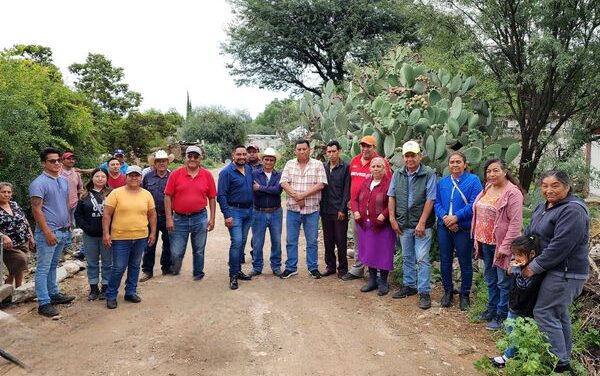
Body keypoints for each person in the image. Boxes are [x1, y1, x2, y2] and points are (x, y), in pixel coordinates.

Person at [521, 170, 590, 373]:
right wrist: (519, 256)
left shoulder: (573, 211)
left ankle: (560, 363)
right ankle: (564, 358)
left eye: (555, 185)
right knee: (558, 314)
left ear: (567, 187)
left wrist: (533, 267)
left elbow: (560, 246)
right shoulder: (543, 207)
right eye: (544, 185)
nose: (549, 190)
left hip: (566, 272)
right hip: (553, 269)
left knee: (544, 312)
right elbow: (530, 233)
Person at [472, 158, 523, 330]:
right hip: (484, 242)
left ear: (505, 171)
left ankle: (501, 315)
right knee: (490, 279)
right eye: (488, 171)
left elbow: (515, 224)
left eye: (496, 170)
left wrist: (505, 247)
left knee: (503, 282)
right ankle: (491, 309)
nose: (492, 174)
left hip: (500, 245)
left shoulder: (512, 193)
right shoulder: (488, 188)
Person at [388, 140, 436, 309]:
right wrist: (393, 219)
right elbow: (391, 196)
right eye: (407, 156)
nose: (410, 159)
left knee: (422, 258)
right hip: (403, 223)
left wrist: (422, 222)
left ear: (419, 156)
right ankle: (409, 286)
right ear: (403, 158)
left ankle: (424, 291)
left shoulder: (428, 173)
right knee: (408, 257)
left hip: (422, 225)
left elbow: (430, 199)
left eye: (413, 155)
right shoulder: (398, 174)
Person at [29, 147, 76, 317]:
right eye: (52, 161)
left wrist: (69, 223)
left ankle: (53, 293)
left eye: (58, 160)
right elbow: (36, 209)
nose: (56, 163)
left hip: (63, 230)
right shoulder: (38, 183)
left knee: (53, 266)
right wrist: (47, 231)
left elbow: (64, 204)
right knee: (43, 268)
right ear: (44, 163)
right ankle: (43, 302)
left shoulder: (63, 180)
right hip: (49, 232)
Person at [102, 166, 156, 309]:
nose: (134, 178)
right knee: (119, 267)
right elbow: (107, 214)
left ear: (140, 177)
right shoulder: (116, 193)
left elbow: (152, 214)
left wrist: (153, 232)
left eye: (137, 175)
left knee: (135, 265)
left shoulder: (146, 194)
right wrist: (106, 233)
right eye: (131, 175)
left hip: (140, 236)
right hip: (120, 237)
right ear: (126, 177)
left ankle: (130, 291)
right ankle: (111, 295)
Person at [434, 151, 483, 310]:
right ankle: (448, 290)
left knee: (465, 261)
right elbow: (437, 204)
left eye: (458, 162)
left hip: (463, 228)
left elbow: (474, 203)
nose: (455, 165)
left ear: (465, 164)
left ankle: (465, 294)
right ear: (448, 165)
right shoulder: (443, 182)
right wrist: (446, 219)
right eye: (452, 162)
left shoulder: (473, 180)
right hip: (444, 227)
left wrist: (456, 217)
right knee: (445, 259)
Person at [490, 235, 544, 368]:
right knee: (510, 329)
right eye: (514, 255)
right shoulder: (519, 265)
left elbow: (524, 286)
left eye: (519, 255)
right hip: (514, 305)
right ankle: (515, 354)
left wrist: (515, 270)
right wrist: (511, 270)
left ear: (531, 254)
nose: (516, 258)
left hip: (524, 309)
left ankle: (507, 357)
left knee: (516, 333)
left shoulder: (534, 270)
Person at [341, 135, 391, 281]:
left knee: (374, 242)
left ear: (374, 147)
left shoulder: (380, 162)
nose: (365, 148)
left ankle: (375, 273)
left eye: (368, 146)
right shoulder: (355, 161)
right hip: (357, 209)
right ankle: (358, 268)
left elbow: (388, 185)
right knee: (359, 240)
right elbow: (349, 183)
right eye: (363, 145)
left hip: (376, 211)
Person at [164, 145, 216, 280]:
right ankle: (175, 268)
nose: (192, 159)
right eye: (190, 156)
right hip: (179, 218)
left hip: (199, 217)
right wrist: (169, 218)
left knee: (199, 249)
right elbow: (167, 196)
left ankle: (198, 273)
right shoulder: (175, 174)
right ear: (185, 158)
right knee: (176, 252)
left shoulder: (207, 175)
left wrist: (212, 218)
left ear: (200, 159)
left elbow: (211, 197)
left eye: (196, 156)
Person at [280, 139, 328, 279]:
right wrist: (296, 196)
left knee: (312, 241)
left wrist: (302, 196)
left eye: (304, 149)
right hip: (293, 210)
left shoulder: (317, 164)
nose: (301, 151)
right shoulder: (289, 164)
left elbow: (320, 185)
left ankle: (313, 267)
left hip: (312, 211)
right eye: (299, 149)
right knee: (291, 240)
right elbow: (284, 182)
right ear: (295, 151)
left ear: (309, 150)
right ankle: (291, 267)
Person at [351, 157, 395, 296]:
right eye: (373, 166)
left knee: (383, 252)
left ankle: (383, 282)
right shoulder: (366, 182)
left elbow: (392, 202)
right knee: (369, 251)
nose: (376, 169)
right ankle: (372, 280)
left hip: (382, 225)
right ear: (370, 169)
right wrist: (356, 211)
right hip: (365, 224)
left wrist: (383, 215)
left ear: (384, 169)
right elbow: (355, 199)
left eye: (379, 166)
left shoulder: (389, 184)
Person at [218, 145, 255, 289]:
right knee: (237, 242)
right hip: (234, 211)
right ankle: (233, 275)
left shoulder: (248, 169)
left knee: (243, 241)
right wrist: (227, 215)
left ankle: (238, 270)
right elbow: (221, 195)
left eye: (244, 154)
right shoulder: (226, 172)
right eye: (238, 154)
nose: (241, 157)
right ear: (233, 155)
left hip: (248, 211)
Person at [74, 168, 112, 300]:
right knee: (92, 262)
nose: (100, 179)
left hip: (107, 235)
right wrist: (86, 228)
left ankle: (106, 286)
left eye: (103, 176)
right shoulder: (84, 195)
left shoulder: (112, 194)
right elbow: (78, 215)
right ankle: (93, 287)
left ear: (107, 179)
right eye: (97, 176)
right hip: (89, 235)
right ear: (92, 178)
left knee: (107, 262)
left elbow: (118, 213)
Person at [249, 147, 283, 277]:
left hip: (276, 212)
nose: (268, 162)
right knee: (258, 241)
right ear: (262, 160)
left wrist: (261, 188)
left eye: (271, 160)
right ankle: (257, 267)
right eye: (266, 159)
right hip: (258, 211)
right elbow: (253, 190)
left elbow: (277, 191)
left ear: (275, 162)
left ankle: (276, 266)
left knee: (276, 240)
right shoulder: (254, 174)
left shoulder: (279, 175)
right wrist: (268, 189)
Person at [140, 150, 173, 282]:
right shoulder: (147, 177)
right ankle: (147, 270)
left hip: (168, 215)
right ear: (154, 163)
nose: (161, 163)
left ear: (167, 162)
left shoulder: (173, 176)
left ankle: (167, 267)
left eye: (163, 161)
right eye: (158, 161)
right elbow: (142, 194)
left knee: (169, 243)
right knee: (149, 243)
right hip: (151, 216)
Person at [320, 140, 350, 278]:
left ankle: (342, 269)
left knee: (341, 240)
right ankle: (330, 266)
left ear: (339, 151)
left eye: (334, 151)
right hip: (325, 210)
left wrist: (342, 209)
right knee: (328, 240)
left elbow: (346, 190)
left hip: (339, 211)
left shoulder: (345, 168)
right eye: (329, 152)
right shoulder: (323, 168)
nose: (331, 154)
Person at [0, 182, 35, 288]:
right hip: (8, 245)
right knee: (21, 260)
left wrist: (31, 236)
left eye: (9, 192)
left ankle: (18, 289)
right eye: (3, 192)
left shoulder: (14, 204)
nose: (6, 194)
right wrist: (3, 236)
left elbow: (24, 220)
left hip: (23, 239)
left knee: (19, 266)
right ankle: (8, 287)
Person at [60, 151, 83, 254]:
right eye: (68, 158)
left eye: (73, 159)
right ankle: (62, 245)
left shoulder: (76, 173)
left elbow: (80, 189)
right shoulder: (58, 171)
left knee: (71, 224)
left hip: (74, 202)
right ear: (63, 160)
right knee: (62, 224)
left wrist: (81, 200)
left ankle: (68, 245)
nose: (71, 160)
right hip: (60, 203)